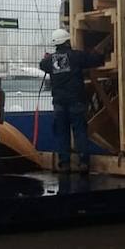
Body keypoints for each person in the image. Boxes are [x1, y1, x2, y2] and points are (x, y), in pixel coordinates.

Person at [39, 29, 104, 173]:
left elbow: (42, 64)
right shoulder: (76, 56)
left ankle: (64, 164)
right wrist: (100, 53)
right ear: (67, 41)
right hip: (76, 101)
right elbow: (94, 60)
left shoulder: (50, 61)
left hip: (59, 104)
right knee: (80, 132)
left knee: (62, 133)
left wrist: (47, 58)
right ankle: (83, 163)